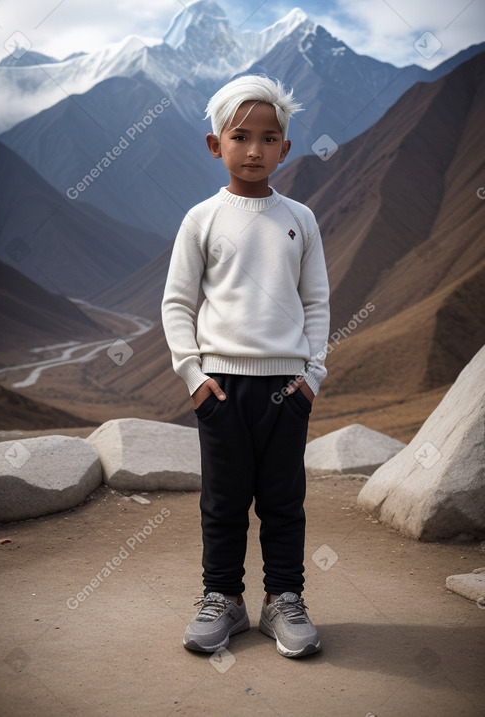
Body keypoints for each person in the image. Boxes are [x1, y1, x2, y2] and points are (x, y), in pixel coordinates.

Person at [161, 74, 330, 658]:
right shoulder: (201, 219)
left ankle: (284, 600)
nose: (254, 150)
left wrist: (311, 377)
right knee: (224, 499)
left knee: (283, 499)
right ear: (216, 145)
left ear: (285, 148)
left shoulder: (300, 219)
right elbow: (178, 303)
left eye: (269, 138)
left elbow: (316, 303)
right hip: (222, 387)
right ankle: (223, 600)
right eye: (240, 136)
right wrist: (194, 377)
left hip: (287, 386)